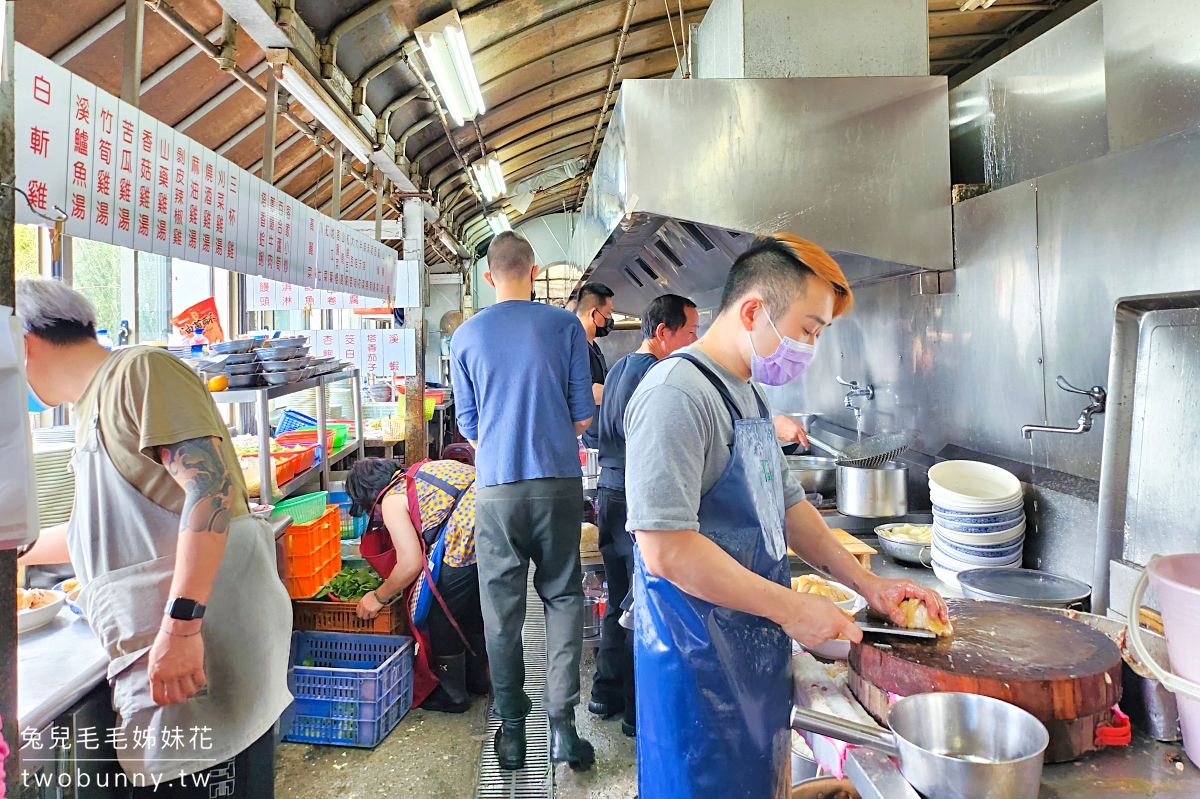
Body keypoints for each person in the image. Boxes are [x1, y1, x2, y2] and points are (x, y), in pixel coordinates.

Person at [624, 235, 949, 798]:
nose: (809, 348)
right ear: (753, 311)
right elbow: (666, 548)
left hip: (751, 654)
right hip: (695, 667)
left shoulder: (746, 395)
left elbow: (789, 508)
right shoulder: (676, 394)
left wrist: (869, 586)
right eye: (807, 330)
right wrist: (794, 607)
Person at [17, 278, 291, 797]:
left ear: (22, 343)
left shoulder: (139, 372)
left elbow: (209, 492)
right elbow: (95, 536)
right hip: (165, 657)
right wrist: (16, 545)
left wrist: (183, 628)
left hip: (200, 648)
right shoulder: (89, 410)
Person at [450, 232, 597, 771]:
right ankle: (563, 729)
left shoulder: (464, 337)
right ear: (534, 272)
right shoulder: (564, 327)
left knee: (501, 612)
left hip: (495, 490)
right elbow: (583, 417)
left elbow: (468, 425)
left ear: (489, 277)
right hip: (557, 483)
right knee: (562, 597)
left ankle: (512, 733)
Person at [588, 293, 698, 736]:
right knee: (645, 606)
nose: (695, 340)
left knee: (619, 599)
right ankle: (638, 715)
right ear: (663, 333)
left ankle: (604, 694)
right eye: (690, 332)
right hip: (637, 498)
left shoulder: (618, 369)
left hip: (609, 495)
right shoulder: (657, 375)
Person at [345, 458, 488, 714]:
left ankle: (453, 693)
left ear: (370, 497)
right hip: (495, 522)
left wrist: (379, 596)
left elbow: (409, 563)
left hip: (468, 535)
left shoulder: (390, 499)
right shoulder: (420, 472)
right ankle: (479, 680)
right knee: (472, 606)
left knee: (441, 610)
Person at [573, 281, 615, 449]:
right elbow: (589, 391)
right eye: (608, 313)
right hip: (593, 441)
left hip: (602, 435)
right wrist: (624, 391)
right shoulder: (577, 347)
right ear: (593, 314)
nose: (611, 319)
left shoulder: (592, 346)